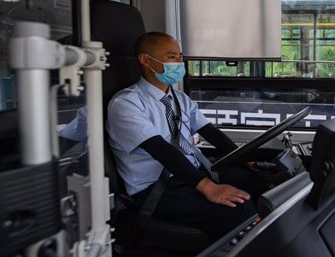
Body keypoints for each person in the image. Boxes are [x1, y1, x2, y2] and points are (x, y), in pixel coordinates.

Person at [107, 32, 263, 238]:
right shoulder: (126, 104)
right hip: (156, 187)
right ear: (146, 60)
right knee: (241, 209)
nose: (179, 63)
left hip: (190, 171)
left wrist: (246, 160)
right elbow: (161, 150)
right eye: (172, 57)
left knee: (259, 182)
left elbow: (211, 133)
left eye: (180, 57)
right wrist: (209, 188)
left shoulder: (179, 98)